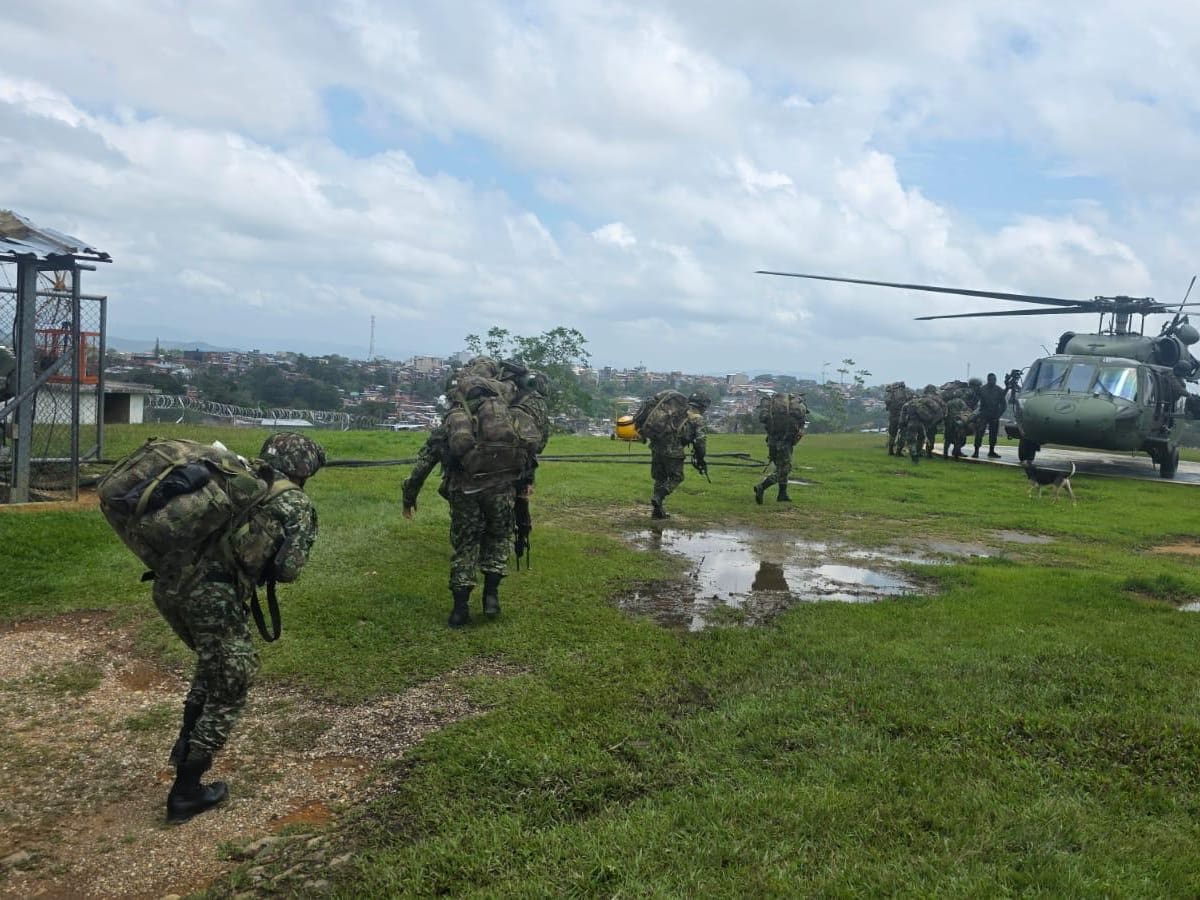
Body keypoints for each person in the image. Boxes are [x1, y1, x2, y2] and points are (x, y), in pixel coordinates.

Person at [157, 432, 323, 823]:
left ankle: (186, 744)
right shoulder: (294, 502)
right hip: (211, 597)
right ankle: (186, 790)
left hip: (169, 584)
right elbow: (289, 571)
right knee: (233, 683)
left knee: (213, 665)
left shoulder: (234, 475)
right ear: (306, 469)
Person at [402, 362, 548, 626]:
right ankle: (491, 596)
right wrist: (524, 483)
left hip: (465, 489)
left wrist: (409, 494)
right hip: (502, 488)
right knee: (498, 537)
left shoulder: (457, 416)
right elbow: (529, 448)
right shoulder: (506, 412)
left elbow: (426, 461)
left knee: (465, 544)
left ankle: (460, 609)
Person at [648, 392, 708, 519]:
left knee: (660, 478)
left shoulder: (677, 411)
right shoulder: (697, 418)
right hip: (673, 452)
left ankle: (657, 511)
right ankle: (659, 497)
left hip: (657, 447)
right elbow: (700, 440)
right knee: (677, 477)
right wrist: (701, 457)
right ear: (703, 407)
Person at [753, 392, 807, 503]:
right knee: (784, 469)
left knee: (780, 467)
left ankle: (782, 494)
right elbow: (800, 423)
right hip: (785, 442)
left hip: (772, 441)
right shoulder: (794, 412)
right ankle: (762, 487)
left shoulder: (774, 412)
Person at [973, 372, 1008, 458]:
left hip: (994, 415)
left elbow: (1003, 404)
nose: (993, 381)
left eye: (994, 380)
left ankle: (991, 451)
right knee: (979, 433)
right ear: (988, 380)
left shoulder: (999, 390)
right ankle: (976, 451)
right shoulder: (982, 389)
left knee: (993, 434)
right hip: (983, 414)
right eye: (991, 380)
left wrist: (999, 415)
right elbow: (975, 400)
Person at [883, 381, 914, 456]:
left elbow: (887, 402)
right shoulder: (907, 392)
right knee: (903, 434)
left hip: (893, 416)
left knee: (892, 433)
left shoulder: (891, 393)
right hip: (903, 417)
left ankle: (890, 450)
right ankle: (898, 451)